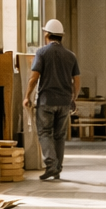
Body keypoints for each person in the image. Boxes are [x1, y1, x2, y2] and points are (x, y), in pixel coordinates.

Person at [22, 18, 80, 181]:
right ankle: (58, 168)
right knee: (59, 136)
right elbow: (77, 80)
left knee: (45, 133)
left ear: (47, 34)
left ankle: (51, 165)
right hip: (64, 102)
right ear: (61, 36)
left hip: (46, 101)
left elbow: (34, 78)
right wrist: (73, 98)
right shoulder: (71, 56)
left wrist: (27, 96)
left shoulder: (42, 53)